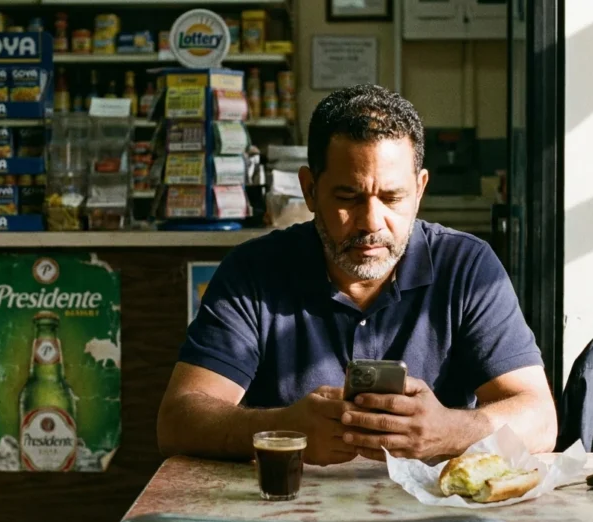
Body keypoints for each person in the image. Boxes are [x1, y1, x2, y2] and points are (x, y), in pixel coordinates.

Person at [158, 84, 558, 466]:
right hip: (288, 519)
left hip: (432, 520)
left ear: (420, 190)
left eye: (392, 198)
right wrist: (281, 430)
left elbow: (540, 418)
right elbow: (177, 420)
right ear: (310, 190)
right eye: (348, 198)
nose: (371, 222)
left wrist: (449, 430)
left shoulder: (467, 267)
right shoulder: (253, 271)